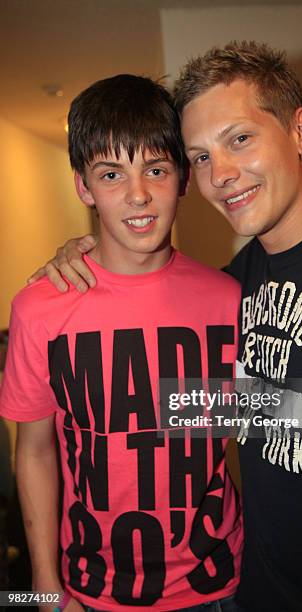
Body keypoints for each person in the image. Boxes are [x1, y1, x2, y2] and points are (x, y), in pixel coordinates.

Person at [29, 41, 302, 611]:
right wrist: (90, 255)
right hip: (250, 589)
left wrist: (211, 406)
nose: (221, 174)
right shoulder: (239, 279)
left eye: (240, 139)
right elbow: (214, 401)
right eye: (200, 156)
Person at [0, 74, 244, 612]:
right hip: (93, 592)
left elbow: (273, 419)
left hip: (218, 589)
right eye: (111, 174)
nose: (138, 194)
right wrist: (43, 587)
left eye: (156, 169)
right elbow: (35, 450)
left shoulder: (231, 298)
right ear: (83, 187)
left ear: (182, 178)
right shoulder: (39, 308)